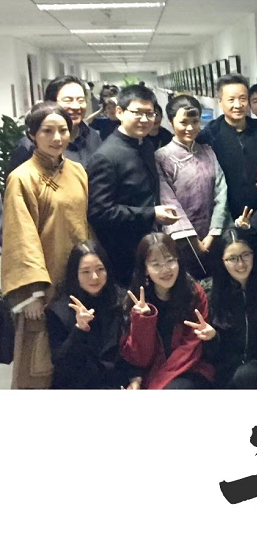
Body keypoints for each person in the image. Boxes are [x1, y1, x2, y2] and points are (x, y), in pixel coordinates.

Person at [1, 102, 89, 389]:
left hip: (76, 280)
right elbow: (20, 237)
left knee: (75, 358)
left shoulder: (77, 171)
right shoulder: (22, 178)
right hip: (43, 288)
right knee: (38, 365)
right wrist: (31, 294)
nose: (57, 138)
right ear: (32, 134)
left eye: (63, 130)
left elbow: (83, 225)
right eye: (47, 131)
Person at [87, 85, 180, 285]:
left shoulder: (145, 144)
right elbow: (99, 212)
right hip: (124, 254)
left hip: (151, 247)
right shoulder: (106, 156)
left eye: (150, 113)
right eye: (137, 113)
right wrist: (151, 213)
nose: (145, 119)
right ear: (119, 112)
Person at [121, 233, 217, 389]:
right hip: (152, 374)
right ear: (145, 269)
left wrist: (156, 387)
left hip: (191, 368)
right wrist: (143, 321)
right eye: (156, 264)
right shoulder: (136, 300)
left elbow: (190, 349)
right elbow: (140, 359)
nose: (165, 270)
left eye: (170, 261)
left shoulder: (194, 293)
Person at [46, 240, 139, 389]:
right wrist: (79, 329)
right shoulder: (58, 310)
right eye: (85, 271)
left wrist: (135, 380)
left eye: (100, 269)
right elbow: (62, 365)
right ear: (74, 274)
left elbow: (131, 353)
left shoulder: (122, 300)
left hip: (116, 384)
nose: (94, 277)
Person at [155, 95, 230, 279]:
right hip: (180, 239)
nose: (190, 128)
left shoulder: (208, 151)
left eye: (195, 122)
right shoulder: (162, 157)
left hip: (214, 235)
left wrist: (213, 233)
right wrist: (192, 239)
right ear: (171, 122)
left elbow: (221, 191)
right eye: (183, 122)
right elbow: (168, 200)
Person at [197, 74, 257, 220]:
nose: (238, 105)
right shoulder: (209, 135)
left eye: (243, 99)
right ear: (220, 102)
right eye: (231, 100)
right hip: (225, 216)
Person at [207, 228, 257, 388]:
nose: (241, 264)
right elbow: (212, 354)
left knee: (247, 375)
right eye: (232, 258)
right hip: (226, 369)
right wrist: (212, 338)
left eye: (246, 255)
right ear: (222, 260)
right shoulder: (213, 294)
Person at [9, 75, 102, 174]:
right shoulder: (29, 145)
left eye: (81, 100)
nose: (76, 106)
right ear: (51, 104)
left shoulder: (93, 137)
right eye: (68, 100)